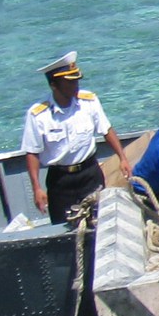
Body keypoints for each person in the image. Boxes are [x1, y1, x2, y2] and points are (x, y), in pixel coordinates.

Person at [21, 52, 132, 223]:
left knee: (100, 221)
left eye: (77, 80)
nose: (76, 85)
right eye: (69, 82)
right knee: (65, 226)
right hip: (60, 181)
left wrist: (122, 158)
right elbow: (32, 153)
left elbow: (106, 129)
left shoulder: (89, 102)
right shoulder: (38, 115)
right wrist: (37, 188)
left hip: (90, 173)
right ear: (54, 85)